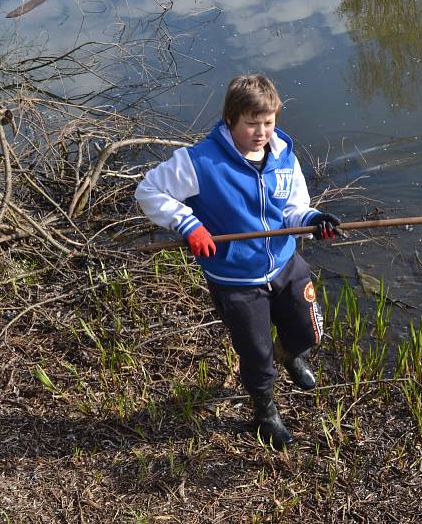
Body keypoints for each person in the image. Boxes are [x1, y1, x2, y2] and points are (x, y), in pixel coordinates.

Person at [135, 74, 342, 448]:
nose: (261, 132)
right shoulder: (199, 162)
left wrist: (313, 222)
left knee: (310, 331)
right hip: (236, 280)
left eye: (268, 122)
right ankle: (265, 413)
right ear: (231, 120)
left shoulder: (283, 155)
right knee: (255, 355)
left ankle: (291, 353)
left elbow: (293, 208)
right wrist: (188, 224)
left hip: (284, 264)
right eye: (251, 124)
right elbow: (149, 190)